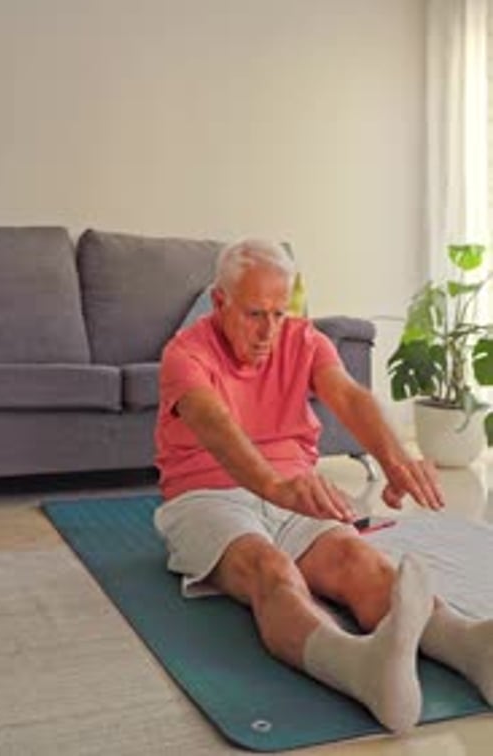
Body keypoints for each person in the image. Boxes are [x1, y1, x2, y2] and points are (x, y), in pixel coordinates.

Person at [154, 238, 493, 734]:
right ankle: (361, 668)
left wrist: (394, 458)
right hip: (208, 492)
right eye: (254, 314)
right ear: (220, 301)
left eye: (278, 311)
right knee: (270, 570)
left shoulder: (304, 339)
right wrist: (273, 485)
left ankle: (470, 645)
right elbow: (216, 427)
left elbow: (350, 396)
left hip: (295, 489)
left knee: (359, 561)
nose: (270, 330)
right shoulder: (184, 354)